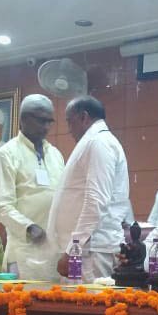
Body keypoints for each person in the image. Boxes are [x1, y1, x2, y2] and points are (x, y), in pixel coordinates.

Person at [47, 96, 132, 282]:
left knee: (87, 300)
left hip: (91, 250)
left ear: (84, 117)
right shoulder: (93, 141)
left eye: (70, 121)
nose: (69, 129)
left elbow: (96, 201)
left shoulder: (98, 142)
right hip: (86, 249)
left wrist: (72, 250)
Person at [0, 94, 65, 277]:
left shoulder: (55, 154)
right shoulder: (7, 153)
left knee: (56, 295)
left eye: (49, 121)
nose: (46, 127)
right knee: (25, 296)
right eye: (41, 121)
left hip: (54, 251)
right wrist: (29, 227)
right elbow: (2, 207)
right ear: (23, 119)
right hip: (24, 250)